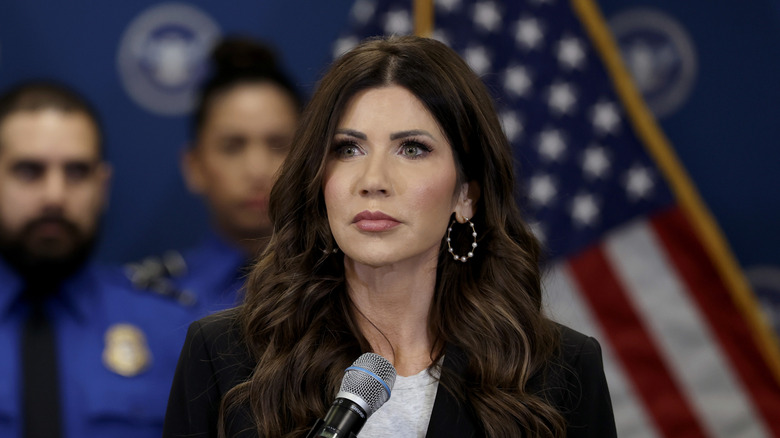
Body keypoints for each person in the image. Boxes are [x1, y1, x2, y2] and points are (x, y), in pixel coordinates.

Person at [163, 36, 617, 437]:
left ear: (466, 194)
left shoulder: (558, 370)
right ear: (319, 180)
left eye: (412, 148)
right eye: (348, 149)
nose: (373, 179)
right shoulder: (223, 356)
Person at [0, 80, 193, 438]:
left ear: (102, 188)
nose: (55, 196)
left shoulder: (175, 330)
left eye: (77, 172)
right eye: (29, 171)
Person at [126, 36, 302, 316]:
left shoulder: (350, 290)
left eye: (278, 144)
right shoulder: (148, 297)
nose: (257, 170)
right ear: (194, 167)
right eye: (233, 146)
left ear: (307, 156)